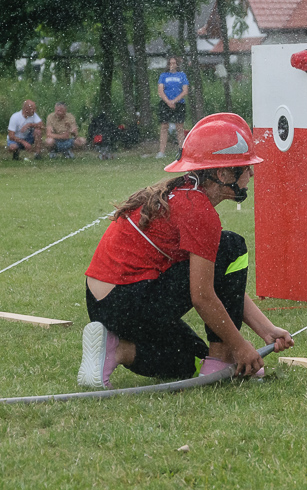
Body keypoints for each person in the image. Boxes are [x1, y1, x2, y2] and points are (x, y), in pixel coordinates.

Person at [78, 113, 294, 389]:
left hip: (106, 305)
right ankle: (221, 358)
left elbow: (222, 282)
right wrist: (239, 347)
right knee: (232, 246)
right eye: (244, 167)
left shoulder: (184, 194)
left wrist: (266, 330)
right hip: (127, 301)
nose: (250, 174)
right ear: (222, 173)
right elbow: (202, 296)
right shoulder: (198, 211)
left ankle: (116, 349)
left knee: (189, 359)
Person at [157, 56, 189, 159]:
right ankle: (161, 151)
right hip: (165, 103)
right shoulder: (163, 76)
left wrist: (174, 101)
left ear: (177, 64)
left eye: (174, 63)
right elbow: (160, 90)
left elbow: (185, 91)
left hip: (179, 103)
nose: (172, 65)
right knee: (164, 126)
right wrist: (168, 101)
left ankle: (181, 150)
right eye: (170, 63)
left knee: (179, 127)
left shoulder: (182, 75)